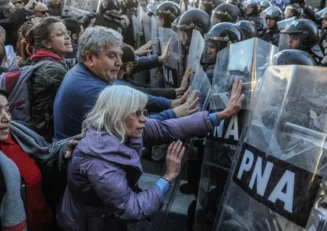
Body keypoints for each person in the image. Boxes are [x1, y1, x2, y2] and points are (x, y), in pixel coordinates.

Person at [57, 80, 244, 231]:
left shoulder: (121, 128)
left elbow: (167, 128)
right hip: (89, 223)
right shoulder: (98, 163)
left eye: (144, 111)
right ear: (117, 115)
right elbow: (131, 208)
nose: (144, 118)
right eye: (137, 113)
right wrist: (168, 177)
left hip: (106, 214)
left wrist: (220, 116)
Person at [54, 26, 193, 140]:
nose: (119, 63)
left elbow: (130, 91)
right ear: (90, 58)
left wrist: (169, 103)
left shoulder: (88, 73)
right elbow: (134, 125)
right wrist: (175, 113)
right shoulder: (92, 90)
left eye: (119, 55)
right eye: (112, 56)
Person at [0, 90, 82, 231]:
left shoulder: (19, 136)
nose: (6, 118)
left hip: (44, 220)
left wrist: (62, 149)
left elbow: (44, 154)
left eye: (7, 110)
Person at [25, 17, 73, 140]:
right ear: (47, 43)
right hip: (46, 137)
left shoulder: (43, 62)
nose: (67, 37)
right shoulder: (53, 70)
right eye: (60, 34)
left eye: (66, 32)